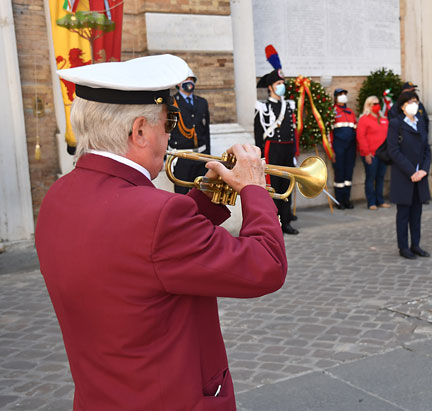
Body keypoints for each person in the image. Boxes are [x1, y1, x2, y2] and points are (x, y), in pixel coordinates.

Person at [35, 54, 288, 410]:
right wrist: (255, 190)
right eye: (169, 123)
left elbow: (139, 257)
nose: (171, 136)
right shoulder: (157, 214)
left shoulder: (58, 196)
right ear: (139, 131)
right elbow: (267, 267)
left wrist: (205, 197)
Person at [254, 45, 299, 234]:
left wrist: (295, 153)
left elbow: (293, 131)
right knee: (273, 188)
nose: (282, 86)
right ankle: (275, 222)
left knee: (287, 185)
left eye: (283, 83)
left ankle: (287, 220)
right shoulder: (262, 108)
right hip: (272, 150)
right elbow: (259, 134)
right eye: (278, 83)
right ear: (271, 87)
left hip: (287, 150)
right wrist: (260, 158)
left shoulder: (289, 106)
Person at [387, 91, 432, 259]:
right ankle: (403, 247)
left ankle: (416, 245)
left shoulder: (420, 123)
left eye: (416, 101)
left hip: (419, 175)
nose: (414, 104)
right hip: (404, 175)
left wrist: (424, 170)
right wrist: (411, 171)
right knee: (403, 214)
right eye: (411, 102)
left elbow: (427, 148)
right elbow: (393, 150)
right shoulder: (396, 123)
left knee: (417, 213)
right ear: (403, 105)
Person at [169, 67, 211, 194]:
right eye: (186, 80)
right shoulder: (171, 103)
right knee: (182, 194)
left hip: (201, 156)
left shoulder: (202, 102)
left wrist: (208, 156)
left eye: (191, 80)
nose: (189, 82)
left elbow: (206, 130)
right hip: (182, 156)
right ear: (178, 83)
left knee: (201, 194)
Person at [356, 95, 390, 210]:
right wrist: (366, 153)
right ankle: (371, 202)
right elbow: (361, 137)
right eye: (374, 104)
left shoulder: (383, 118)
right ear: (368, 106)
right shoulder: (364, 119)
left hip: (383, 154)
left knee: (380, 177)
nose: (377, 106)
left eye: (377, 103)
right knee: (371, 177)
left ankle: (380, 200)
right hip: (371, 154)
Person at [331, 88, 357, 209]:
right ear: (335, 98)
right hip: (338, 147)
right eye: (340, 94)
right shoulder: (332, 112)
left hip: (351, 147)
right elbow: (329, 133)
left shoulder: (350, 112)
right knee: (340, 174)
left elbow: (355, 129)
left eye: (344, 94)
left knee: (348, 174)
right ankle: (339, 200)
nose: (343, 96)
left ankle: (347, 199)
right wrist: (331, 150)